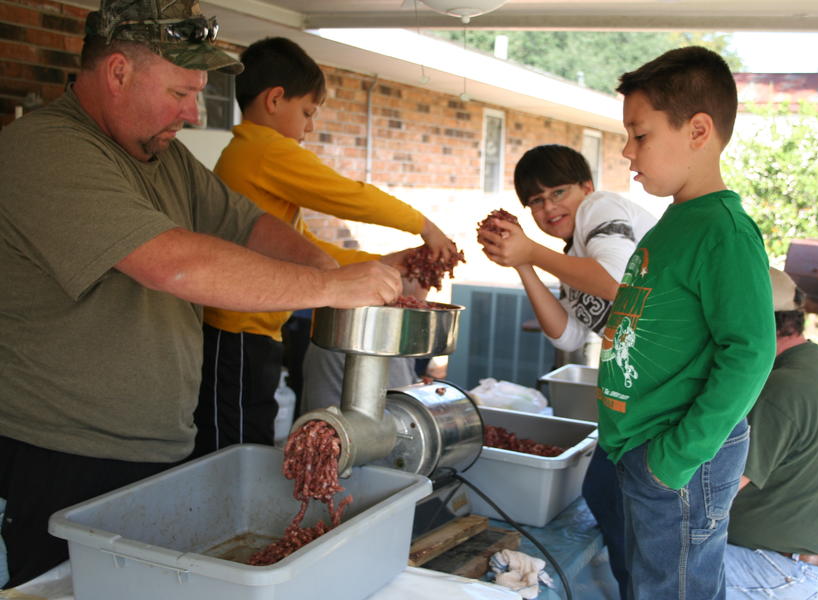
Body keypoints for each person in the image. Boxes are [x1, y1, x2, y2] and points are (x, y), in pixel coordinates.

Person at [0, 0, 400, 588]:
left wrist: (321, 262)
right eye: (181, 93)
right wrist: (330, 285)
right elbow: (175, 266)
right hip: (67, 454)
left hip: (157, 446)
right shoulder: (45, 150)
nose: (192, 114)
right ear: (117, 73)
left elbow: (247, 225)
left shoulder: (166, 157)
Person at [194, 36, 455, 455]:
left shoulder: (252, 154)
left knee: (250, 431)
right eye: (307, 113)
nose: (309, 127)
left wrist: (382, 264)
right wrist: (423, 226)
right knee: (235, 448)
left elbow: (304, 246)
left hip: (252, 329)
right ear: (275, 100)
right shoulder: (265, 150)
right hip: (236, 330)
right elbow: (347, 194)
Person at [597, 46, 776, 599]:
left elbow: (750, 351)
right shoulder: (675, 220)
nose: (628, 151)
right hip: (647, 448)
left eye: (640, 134)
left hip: (677, 460)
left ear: (698, 130)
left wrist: (673, 460)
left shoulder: (723, 230)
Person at [477, 144, 657, 600]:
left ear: (586, 188)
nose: (549, 207)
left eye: (558, 192)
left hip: (668, 394)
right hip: (637, 398)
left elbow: (617, 282)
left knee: (638, 517)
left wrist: (531, 250)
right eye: (536, 201)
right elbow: (568, 336)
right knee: (604, 492)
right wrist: (523, 263)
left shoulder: (603, 209)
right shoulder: (573, 251)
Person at [725, 268, 818, 599]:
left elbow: (717, 492)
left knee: (653, 568)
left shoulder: (782, 388)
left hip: (792, 570)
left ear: (753, 322)